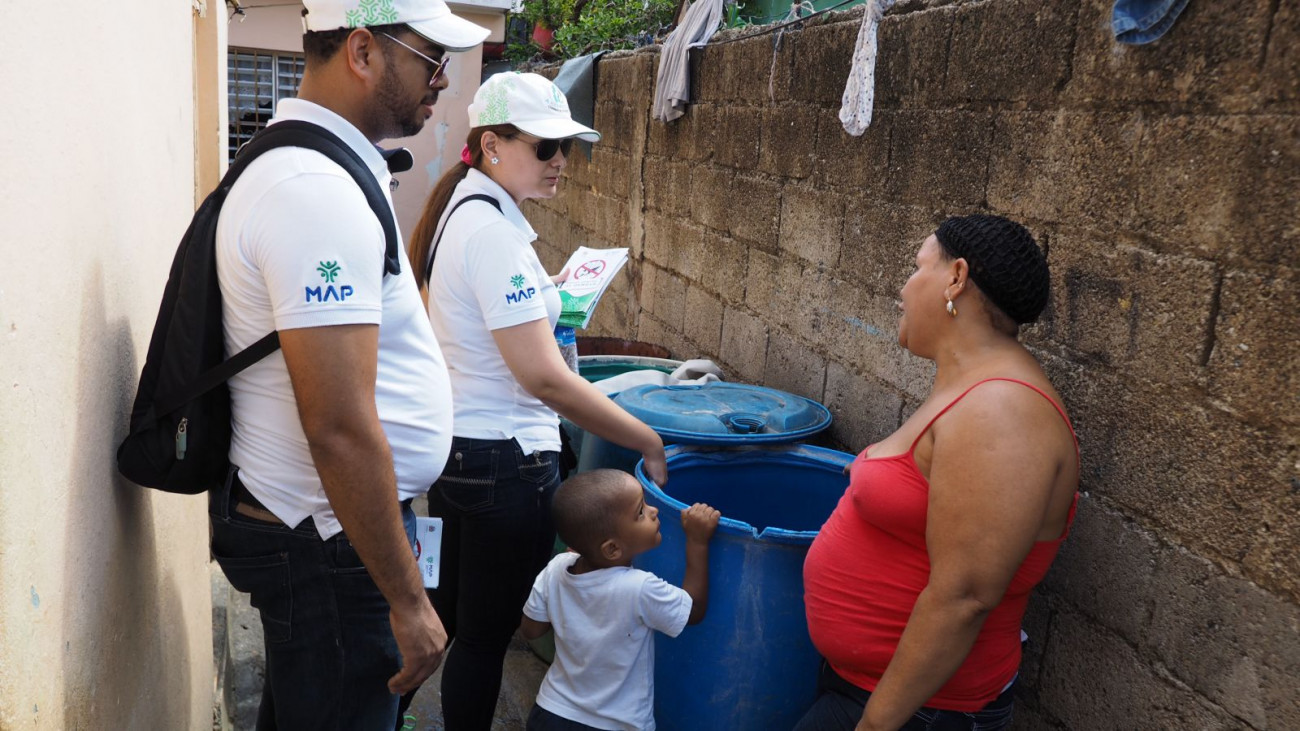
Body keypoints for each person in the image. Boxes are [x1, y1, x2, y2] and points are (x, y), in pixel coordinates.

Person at [207, 1, 488, 727]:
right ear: (362, 52)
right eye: (432, 59)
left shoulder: (318, 169)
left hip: (329, 534)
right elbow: (337, 423)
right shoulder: (313, 193)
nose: (444, 80)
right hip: (330, 545)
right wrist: (406, 598)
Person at [404, 72, 670, 729]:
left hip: (463, 453)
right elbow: (546, 380)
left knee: (444, 621)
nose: (560, 162)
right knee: (484, 638)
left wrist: (546, 291)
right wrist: (646, 438)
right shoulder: (491, 233)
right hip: (504, 465)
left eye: (567, 148)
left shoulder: (466, 209)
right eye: (546, 146)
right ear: (491, 144)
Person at [797, 215, 1080, 731]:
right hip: (876, 691)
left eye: (917, 267)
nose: (904, 288)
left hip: (917, 712)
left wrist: (876, 724)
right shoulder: (966, 388)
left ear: (956, 278)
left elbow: (964, 598)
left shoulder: (1002, 412)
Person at [520, 469, 720, 731]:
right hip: (614, 724)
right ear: (612, 549)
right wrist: (697, 542)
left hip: (551, 712)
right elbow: (693, 610)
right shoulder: (639, 588)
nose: (654, 511)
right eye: (640, 512)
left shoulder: (557, 568)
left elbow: (531, 629)